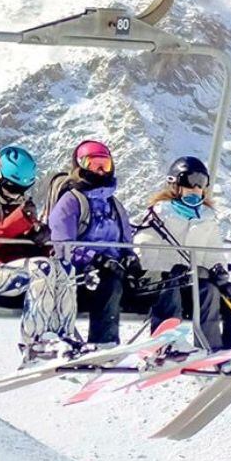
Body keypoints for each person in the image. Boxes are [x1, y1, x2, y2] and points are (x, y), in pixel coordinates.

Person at [0, 144, 78, 363]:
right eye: (11, 187)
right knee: (42, 269)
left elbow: (19, 241)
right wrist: (19, 221)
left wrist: (39, 239)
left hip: (11, 268)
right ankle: (34, 343)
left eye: (21, 190)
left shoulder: (17, 204)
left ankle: (62, 337)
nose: (15, 194)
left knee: (64, 268)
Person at [133, 156, 231, 352]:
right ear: (174, 185)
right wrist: (172, 271)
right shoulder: (158, 216)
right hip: (167, 287)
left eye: (200, 183)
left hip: (195, 283)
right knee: (207, 292)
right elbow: (144, 254)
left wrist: (218, 271)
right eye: (189, 182)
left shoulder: (207, 220)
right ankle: (208, 350)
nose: (195, 188)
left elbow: (214, 255)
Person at [46, 140, 138, 350]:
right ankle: (103, 343)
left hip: (115, 269)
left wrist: (131, 260)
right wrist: (95, 259)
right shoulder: (71, 201)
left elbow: (126, 243)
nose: (99, 171)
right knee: (109, 283)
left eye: (104, 165)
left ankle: (167, 340)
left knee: (169, 280)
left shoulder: (114, 204)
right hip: (80, 275)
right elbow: (62, 245)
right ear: (80, 167)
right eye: (93, 164)